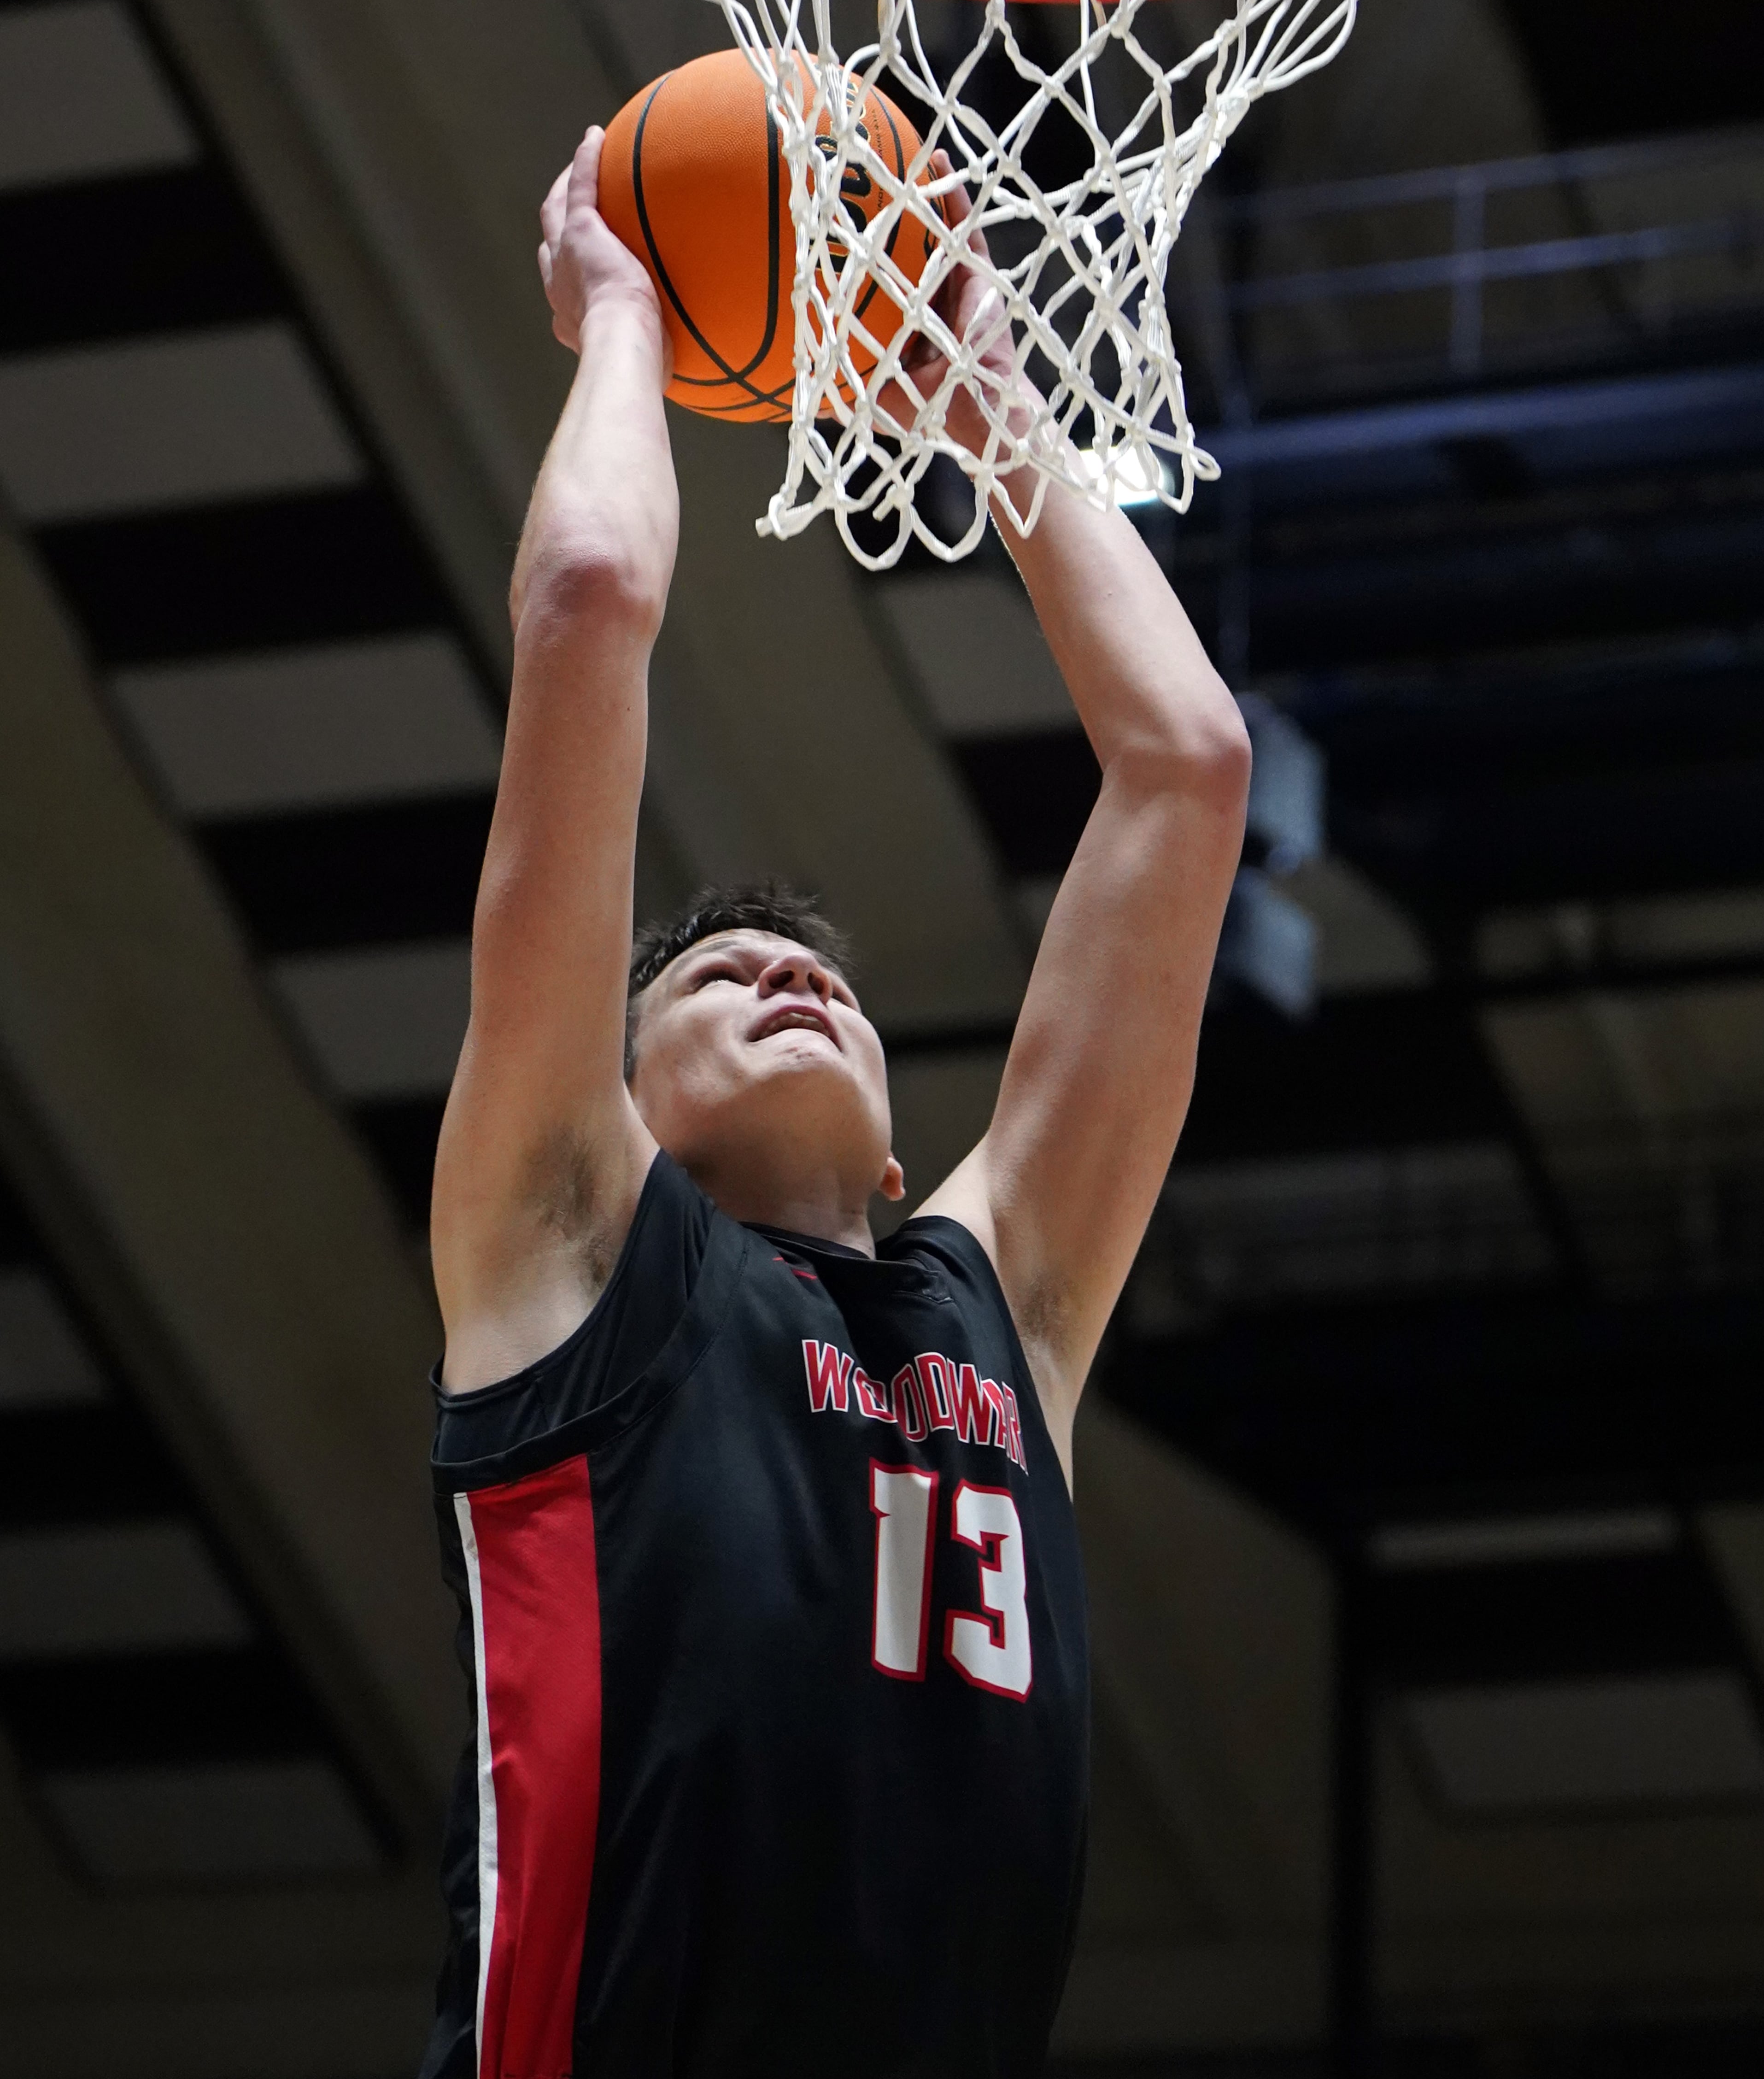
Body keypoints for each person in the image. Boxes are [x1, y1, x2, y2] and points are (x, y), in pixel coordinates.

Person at [419, 122, 1250, 2079]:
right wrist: (624, 305)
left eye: (829, 987)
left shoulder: (1001, 1312)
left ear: (899, 1147)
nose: (788, 975)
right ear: (613, 1109)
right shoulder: (562, 1240)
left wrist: (982, 385)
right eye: (714, 980)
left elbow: (1188, 770)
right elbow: (596, 590)